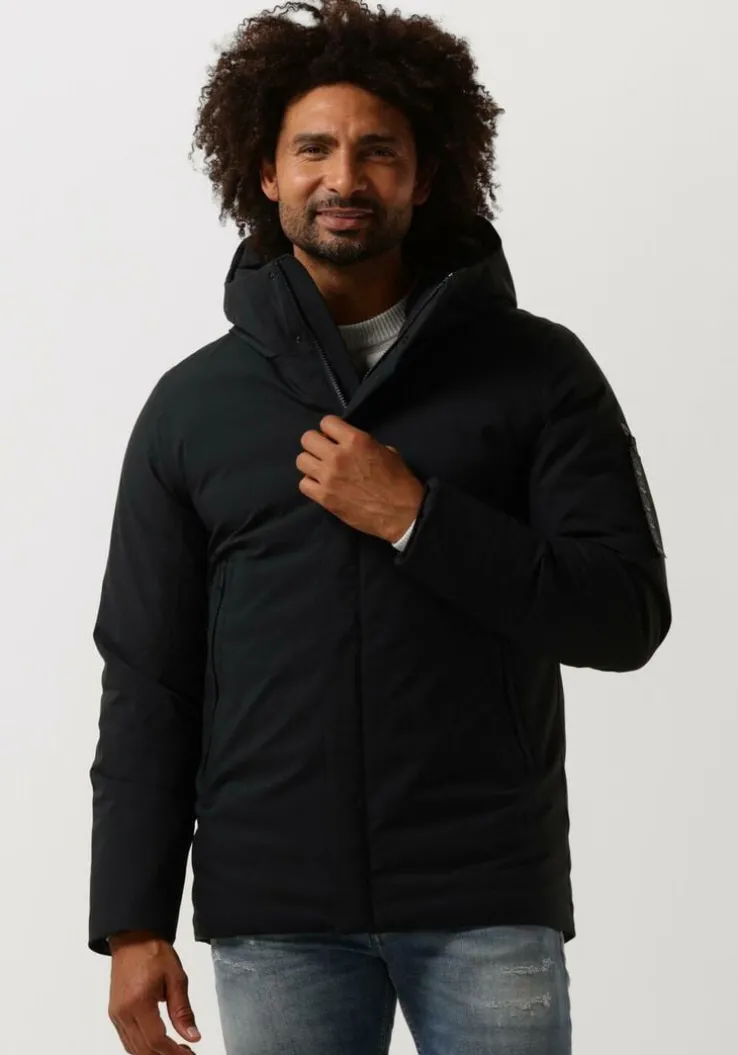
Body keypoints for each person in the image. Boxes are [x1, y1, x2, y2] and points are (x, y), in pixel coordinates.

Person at [87, 1, 672, 1052]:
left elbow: (624, 612)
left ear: (426, 175)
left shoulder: (538, 372)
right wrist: (133, 921)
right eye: (313, 148)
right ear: (267, 173)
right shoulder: (193, 407)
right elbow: (148, 676)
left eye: (378, 151)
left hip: (485, 892)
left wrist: (418, 519)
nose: (344, 177)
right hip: (274, 910)